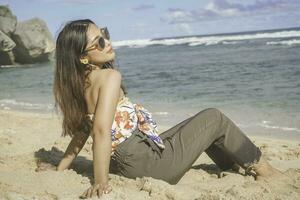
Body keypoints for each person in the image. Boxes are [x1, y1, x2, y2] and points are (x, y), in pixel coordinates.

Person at [39, 19, 286, 199]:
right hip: (144, 162)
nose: (108, 42)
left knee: (198, 126)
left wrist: (61, 167)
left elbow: (83, 132)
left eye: (105, 33)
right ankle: (264, 170)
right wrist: (100, 183)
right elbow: (101, 131)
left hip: (130, 158)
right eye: (100, 42)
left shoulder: (80, 85)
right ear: (83, 57)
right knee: (214, 118)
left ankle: (231, 168)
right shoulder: (110, 77)